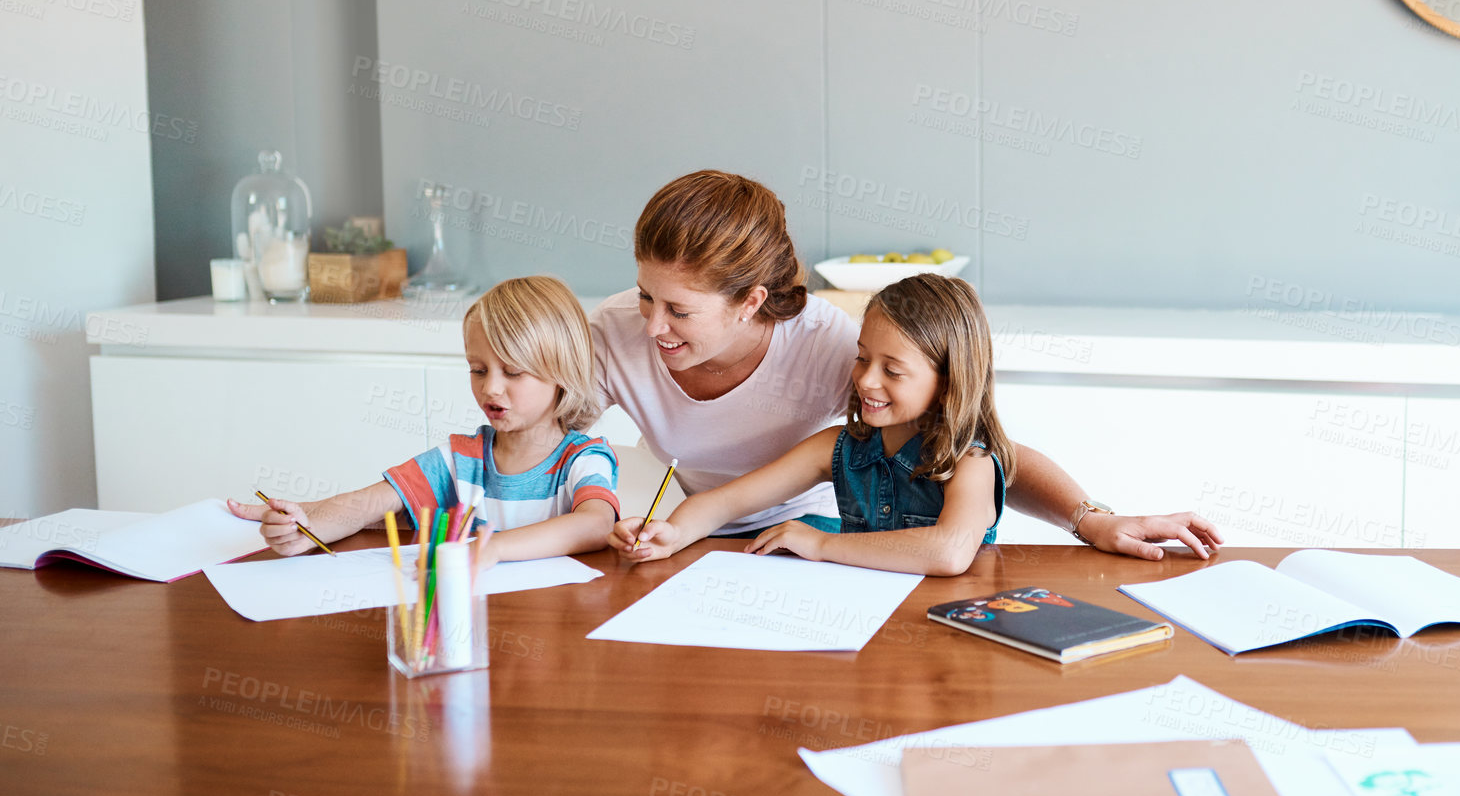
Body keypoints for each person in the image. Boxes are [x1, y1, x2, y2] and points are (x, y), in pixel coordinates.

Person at [590, 170, 1222, 559]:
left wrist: (1094, 521)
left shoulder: (839, 348)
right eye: (646, 296)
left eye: (679, 309)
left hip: (819, 543)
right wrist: (665, 528)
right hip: (733, 544)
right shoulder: (616, 333)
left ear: (751, 302)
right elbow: (547, 435)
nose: (652, 326)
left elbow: (987, 451)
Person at [612, 274, 1010, 575]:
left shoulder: (971, 462)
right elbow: (726, 501)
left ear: (948, 382)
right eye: (862, 358)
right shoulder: (839, 447)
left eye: (892, 370)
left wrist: (821, 543)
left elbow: (950, 551)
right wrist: (671, 534)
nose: (867, 380)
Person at [230, 276, 619, 568]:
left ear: (562, 374)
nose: (491, 388)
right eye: (478, 369)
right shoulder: (459, 459)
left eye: (513, 372)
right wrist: (304, 528)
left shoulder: (583, 460)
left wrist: (494, 549)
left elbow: (595, 525)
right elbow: (365, 505)